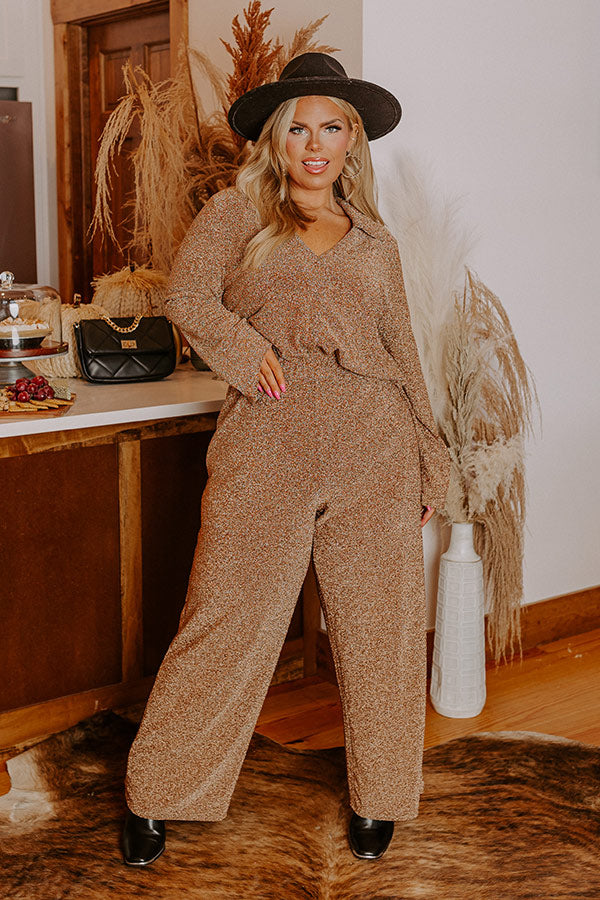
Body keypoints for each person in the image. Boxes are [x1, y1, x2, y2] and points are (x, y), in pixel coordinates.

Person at [121, 52, 452, 867]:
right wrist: (243, 349)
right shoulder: (236, 212)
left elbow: (402, 351)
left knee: (380, 628)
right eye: (299, 129)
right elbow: (186, 297)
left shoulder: (375, 238)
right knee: (227, 617)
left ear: (352, 140)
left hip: (374, 440)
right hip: (268, 438)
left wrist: (430, 454)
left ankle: (381, 798)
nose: (315, 145)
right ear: (276, 136)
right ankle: (158, 792)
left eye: (331, 128)